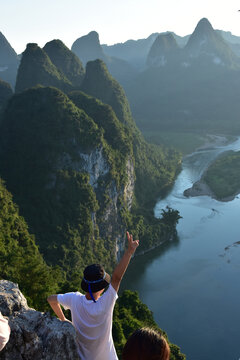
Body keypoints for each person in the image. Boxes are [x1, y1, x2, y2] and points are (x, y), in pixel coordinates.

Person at [47, 231, 139, 360]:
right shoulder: (105, 304)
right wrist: (129, 251)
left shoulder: (73, 299)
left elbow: (51, 299)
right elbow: (117, 278)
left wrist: (64, 320)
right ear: (101, 287)